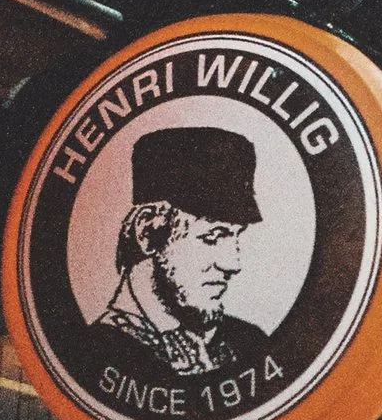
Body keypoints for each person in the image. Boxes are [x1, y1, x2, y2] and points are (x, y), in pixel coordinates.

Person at [90, 125, 262, 380]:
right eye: (212, 237)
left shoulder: (249, 340)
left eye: (237, 236)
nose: (233, 264)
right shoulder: (99, 351)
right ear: (147, 232)